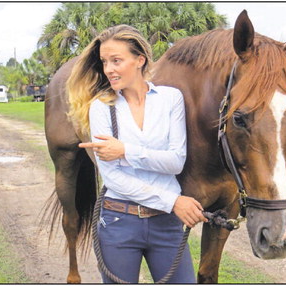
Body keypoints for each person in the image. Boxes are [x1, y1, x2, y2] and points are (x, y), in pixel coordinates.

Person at [67, 25, 207, 283]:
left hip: (166, 225)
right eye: (105, 62)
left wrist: (124, 151)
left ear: (139, 60)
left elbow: (175, 162)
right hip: (120, 221)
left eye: (116, 61)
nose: (109, 69)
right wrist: (173, 201)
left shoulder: (170, 99)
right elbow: (113, 179)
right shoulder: (101, 107)